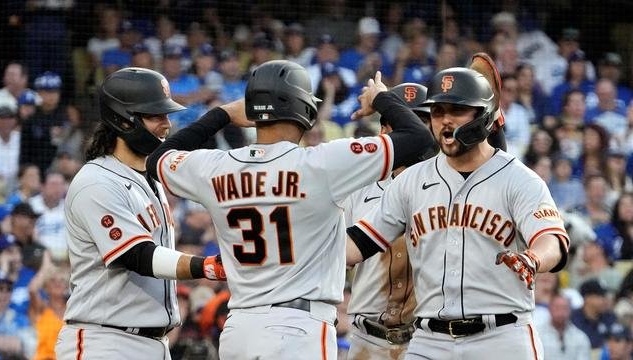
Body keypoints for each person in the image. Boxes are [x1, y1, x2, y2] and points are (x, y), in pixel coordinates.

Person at [145, 60, 435, 360]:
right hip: (299, 329)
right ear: (305, 110)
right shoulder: (322, 163)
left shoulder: (216, 167)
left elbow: (157, 158)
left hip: (239, 328)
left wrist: (223, 114)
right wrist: (381, 99)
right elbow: (417, 138)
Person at [345, 67, 569, 360]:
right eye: (437, 112)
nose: (445, 120)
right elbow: (360, 243)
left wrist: (534, 257)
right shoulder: (411, 182)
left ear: (483, 116)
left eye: (457, 110)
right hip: (429, 341)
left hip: (502, 336)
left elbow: (552, 238)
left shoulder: (518, 178)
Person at [54, 67, 225, 360]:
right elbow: (137, 255)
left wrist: (221, 116)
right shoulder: (96, 181)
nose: (167, 124)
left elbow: (179, 147)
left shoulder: (148, 177)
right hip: (105, 341)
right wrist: (205, 266)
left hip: (151, 343)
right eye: (156, 115)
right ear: (124, 120)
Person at [345, 83, 433, 359]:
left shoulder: (447, 186)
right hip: (367, 338)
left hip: (426, 338)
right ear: (384, 131)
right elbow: (338, 254)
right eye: (404, 121)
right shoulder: (357, 186)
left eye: (422, 122)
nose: (416, 132)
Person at [536, 294, 591, 360]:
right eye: (557, 308)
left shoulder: (580, 337)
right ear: (550, 309)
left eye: (565, 308)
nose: (561, 312)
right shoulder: (537, 335)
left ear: (570, 311)